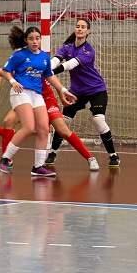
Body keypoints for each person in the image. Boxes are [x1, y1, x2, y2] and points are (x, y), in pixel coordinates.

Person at [0, 26, 77, 176]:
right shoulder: (20, 55)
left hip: (36, 94)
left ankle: (38, 166)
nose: (34, 41)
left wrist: (64, 90)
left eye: (37, 38)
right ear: (26, 41)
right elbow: (5, 71)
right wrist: (13, 81)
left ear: (41, 39)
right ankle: (5, 159)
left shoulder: (44, 57)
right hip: (20, 92)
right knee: (28, 127)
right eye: (31, 39)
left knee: (44, 129)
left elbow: (49, 76)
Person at [47, 18, 120, 168]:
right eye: (78, 26)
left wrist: (48, 73)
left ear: (88, 31)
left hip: (96, 90)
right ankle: (53, 152)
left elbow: (69, 65)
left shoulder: (88, 51)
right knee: (63, 122)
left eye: (83, 27)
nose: (80, 29)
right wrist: (46, 67)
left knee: (98, 120)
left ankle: (113, 155)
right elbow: (56, 59)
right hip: (76, 92)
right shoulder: (67, 46)